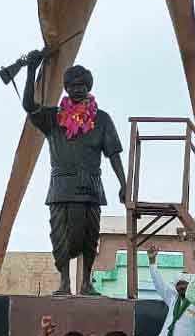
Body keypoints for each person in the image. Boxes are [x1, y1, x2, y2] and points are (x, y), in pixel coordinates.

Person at [22, 57, 127, 296]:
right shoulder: (53, 118)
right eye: (73, 85)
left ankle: (86, 283)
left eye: (82, 85)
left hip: (90, 186)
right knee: (60, 237)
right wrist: (30, 70)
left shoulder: (102, 119)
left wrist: (124, 183)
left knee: (90, 238)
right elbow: (29, 105)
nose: (78, 89)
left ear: (89, 87)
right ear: (66, 88)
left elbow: (114, 154)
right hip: (61, 187)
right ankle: (64, 283)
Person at [143, 245, 195, 336]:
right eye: (179, 284)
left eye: (185, 284)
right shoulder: (173, 299)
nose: (181, 287)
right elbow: (159, 283)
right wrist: (152, 261)